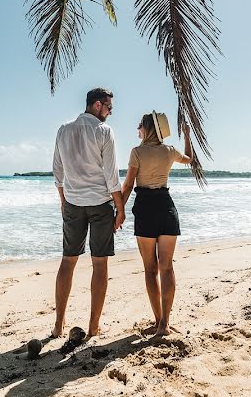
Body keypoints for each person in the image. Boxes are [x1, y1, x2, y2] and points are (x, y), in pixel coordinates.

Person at [51, 87, 125, 339]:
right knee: (100, 262)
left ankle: (58, 325)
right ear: (96, 105)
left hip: (73, 202)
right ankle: (94, 326)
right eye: (109, 107)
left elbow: (57, 172)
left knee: (68, 260)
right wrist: (121, 208)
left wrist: (64, 201)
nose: (110, 112)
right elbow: (111, 176)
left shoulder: (63, 130)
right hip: (100, 203)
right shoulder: (103, 131)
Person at [121, 112, 192, 336]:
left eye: (140, 125)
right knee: (167, 266)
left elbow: (129, 185)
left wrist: (119, 211)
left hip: (145, 209)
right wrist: (188, 136)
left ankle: (159, 320)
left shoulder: (137, 152)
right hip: (166, 207)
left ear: (148, 128)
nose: (137, 129)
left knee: (150, 270)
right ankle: (164, 324)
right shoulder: (169, 151)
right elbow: (189, 160)